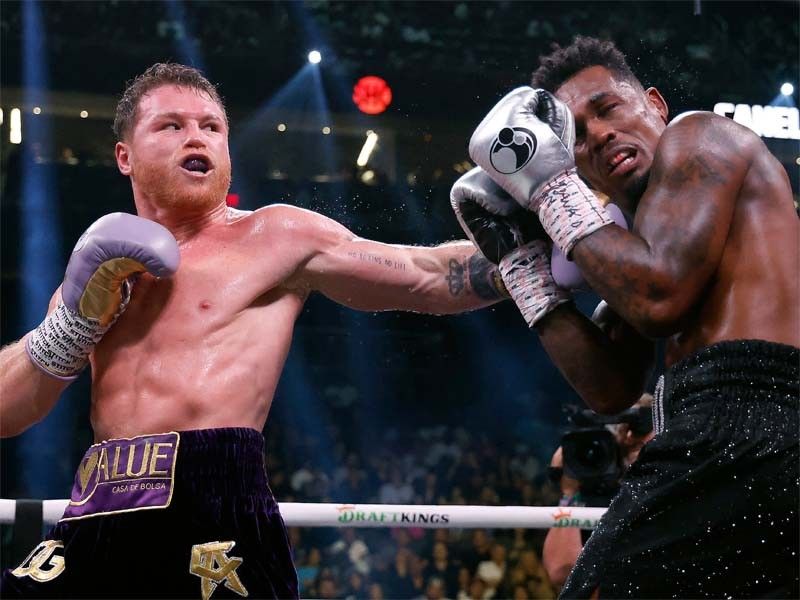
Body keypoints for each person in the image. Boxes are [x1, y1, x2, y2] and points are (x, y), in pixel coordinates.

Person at [0, 63, 507, 598]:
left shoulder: (275, 235)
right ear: (124, 155)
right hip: (98, 502)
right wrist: (70, 327)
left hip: (213, 506)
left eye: (211, 126)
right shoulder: (95, 276)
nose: (196, 135)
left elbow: (425, 278)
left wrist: (533, 251)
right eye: (171, 126)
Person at [451, 36, 798, 597]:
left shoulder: (700, 135)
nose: (599, 134)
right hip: (735, 438)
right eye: (576, 138)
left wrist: (549, 189)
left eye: (607, 108)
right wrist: (521, 264)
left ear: (654, 104)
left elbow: (660, 299)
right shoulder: (633, 242)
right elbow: (608, 386)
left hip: (750, 421)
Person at [542, 395, 655, 590]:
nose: (629, 436)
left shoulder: (678, 485)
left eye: (639, 428)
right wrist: (570, 493)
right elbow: (561, 572)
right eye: (622, 427)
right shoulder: (592, 495)